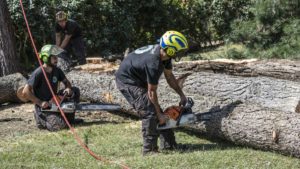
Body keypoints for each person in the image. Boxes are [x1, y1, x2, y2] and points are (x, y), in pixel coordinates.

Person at [115, 31, 189, 155]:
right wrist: (158, 114)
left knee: (157, 111)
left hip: (138, 78)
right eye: (178, 51)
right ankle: (149, 150)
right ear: (170, 50)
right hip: (128, 82)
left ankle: (169, 146)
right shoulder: (154, 63)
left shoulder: (164, 57)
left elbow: (170, 77)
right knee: (150, 112)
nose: (180, 54)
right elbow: (152, 92)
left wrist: (181, 95)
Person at [23, 45, 81, 131]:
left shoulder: (57, 70)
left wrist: (68, 88)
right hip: (45, 107)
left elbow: (67, 83)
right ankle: (40, 119)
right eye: (54, 57)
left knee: (75, 91)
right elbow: (25, 92)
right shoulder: (38, 73)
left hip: (55, 100)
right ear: (46, 58)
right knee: (58, 127)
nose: (56, 59)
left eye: (56, 57)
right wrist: (40, 102)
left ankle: (69, 118)